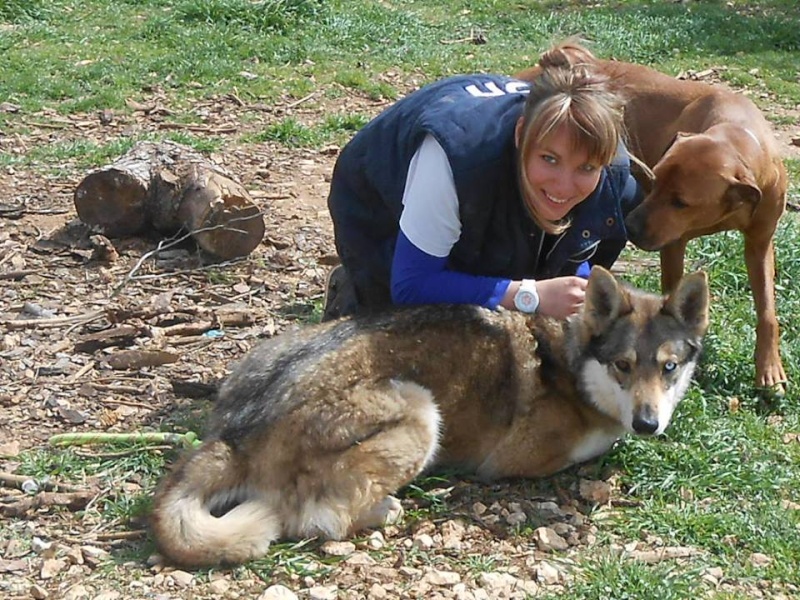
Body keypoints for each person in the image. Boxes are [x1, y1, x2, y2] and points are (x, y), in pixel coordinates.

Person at [323, 42, 643, 321]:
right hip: (380, 207)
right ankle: (354, 294)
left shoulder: (615, 182)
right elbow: (411, 284)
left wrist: (570, 289)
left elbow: (582, 261)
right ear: (521, 135)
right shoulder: (454, 159)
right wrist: (528, 295)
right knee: (414, 340)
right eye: (550, 159)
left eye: (586, 168)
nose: (564, 185)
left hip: (493, 195)